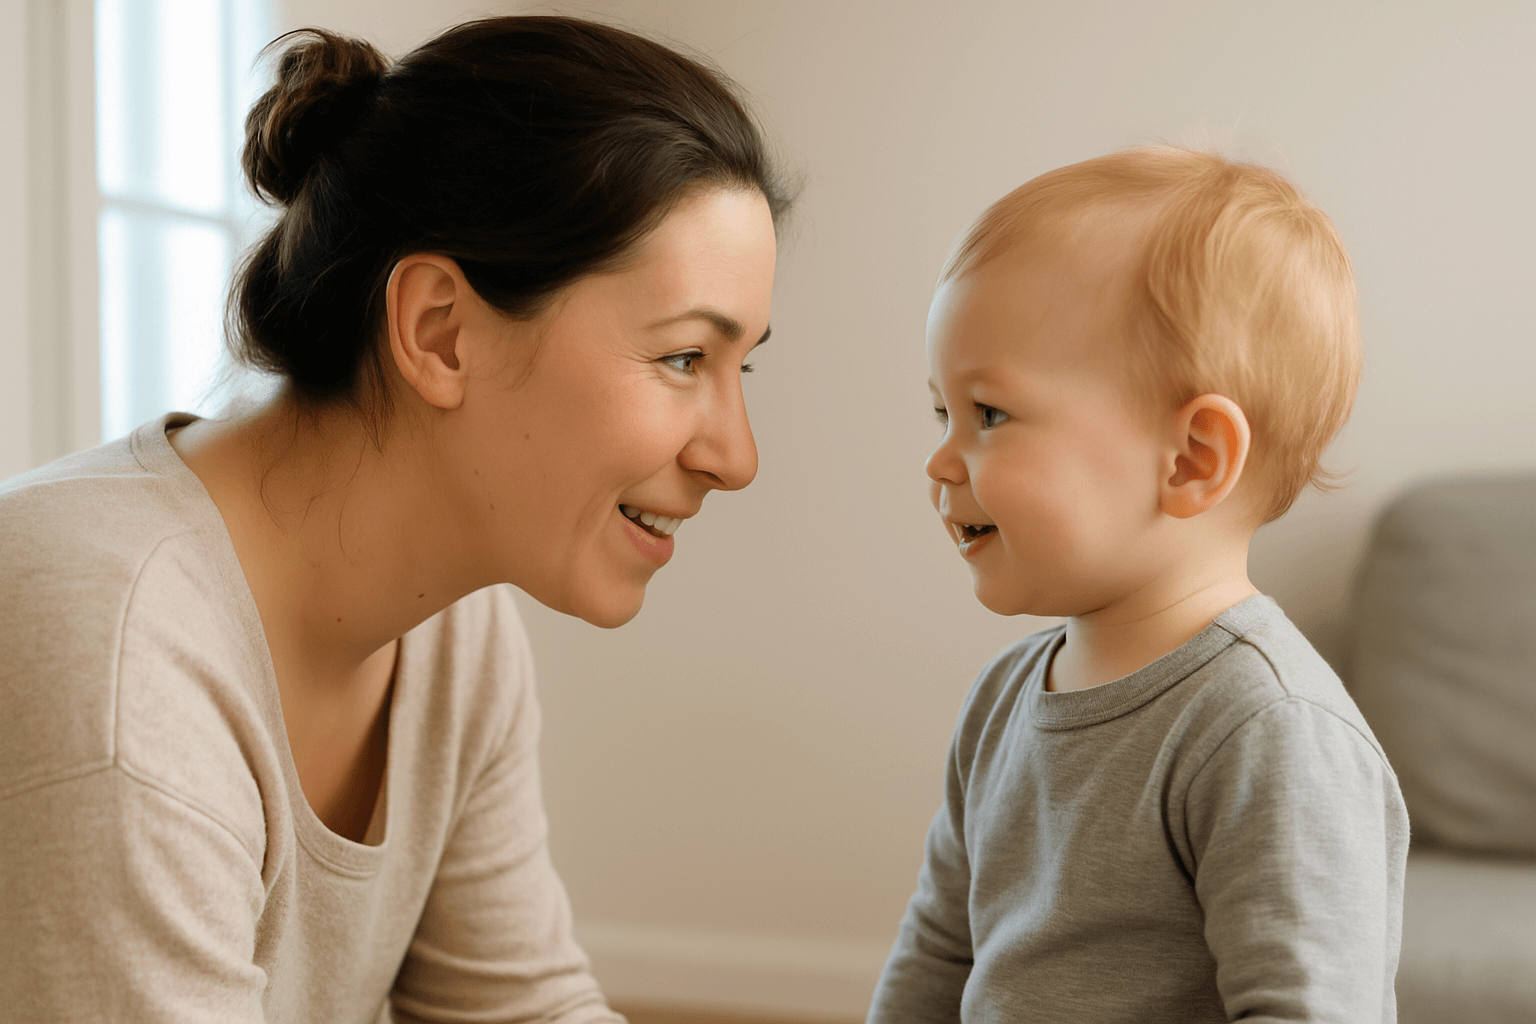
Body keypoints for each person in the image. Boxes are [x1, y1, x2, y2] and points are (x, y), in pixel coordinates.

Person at [0, 15, 789, 1023]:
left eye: (742, 364)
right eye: (684, 358)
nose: (738, 456)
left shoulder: (450, 628)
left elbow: (519, 1006)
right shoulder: (111, 646)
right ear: (439, 331)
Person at [867, 147, 1409, 1022]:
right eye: (943, 413)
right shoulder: (1003, 700)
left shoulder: (1268, 730)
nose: (939, 458)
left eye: (990, 414)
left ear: (1191, 460)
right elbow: (939, 948)